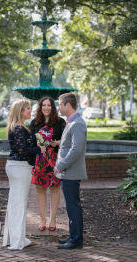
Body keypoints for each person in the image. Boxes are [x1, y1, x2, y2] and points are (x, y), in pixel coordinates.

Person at [2, 99, 46, 250]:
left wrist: (36, 145)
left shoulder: (19, 127)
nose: (30, 111)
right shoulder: (19, 128)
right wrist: (39, 150)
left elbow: (22, 147)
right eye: (28, 108)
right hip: (19, 168)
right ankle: (17, 241)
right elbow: (22, 151)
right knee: (19, 203)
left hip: (19, 167)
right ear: (21, 111)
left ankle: (17, 237)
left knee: (17, 203)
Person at [53, 93, 87, 250]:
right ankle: (74, 235)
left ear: (68, 105)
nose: (58, 107)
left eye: (60, 104)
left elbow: (76, 149)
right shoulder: (72, 122)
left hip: (71, 173)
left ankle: (76, 240)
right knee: (71, 205)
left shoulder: (77, 123)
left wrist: (60, 166)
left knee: (73, 206)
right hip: (68, 173)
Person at [29, 96, 66, 231]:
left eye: (49, 105)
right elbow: (28, 141)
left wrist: (57, 143)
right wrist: (35, 143)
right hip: (39, 160)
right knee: (40, 189)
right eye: (43, 105)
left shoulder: (60, 122)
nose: (46, 108)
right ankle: (42, 218)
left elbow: (67, 141)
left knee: (55, 188)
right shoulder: (34, 123)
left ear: (53, 107)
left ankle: (53, 218)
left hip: (55, 160)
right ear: (40, 107)